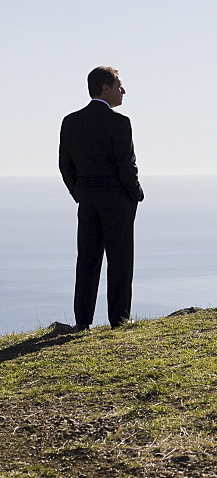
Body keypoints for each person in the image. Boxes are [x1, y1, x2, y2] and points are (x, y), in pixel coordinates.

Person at [59, 66, 144, 329]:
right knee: (120, 260)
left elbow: (65, 165)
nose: (123, 90)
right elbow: (126, 165)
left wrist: (79, 193)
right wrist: (135, 194)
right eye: (119, 85)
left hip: (87, 200)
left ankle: (82, 322)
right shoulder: (120, 123)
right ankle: (119, 320)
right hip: (118, 199)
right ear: (105, 88)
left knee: (87, 260)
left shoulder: (71, 121)